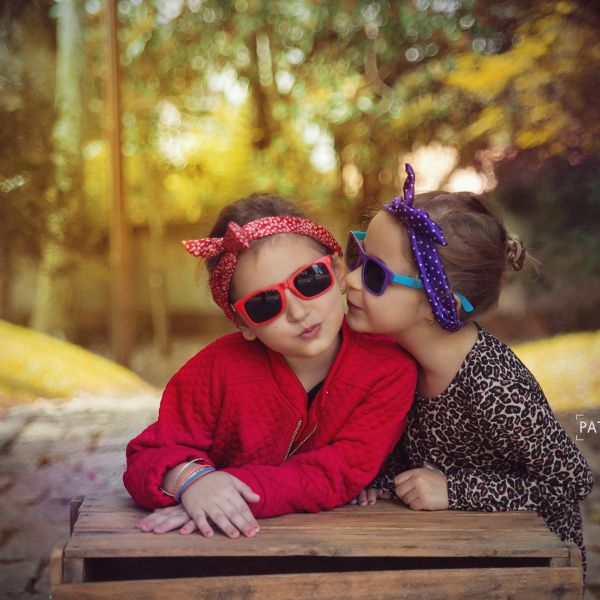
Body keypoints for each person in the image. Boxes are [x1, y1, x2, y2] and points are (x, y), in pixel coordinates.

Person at [124, 193, 417, 540]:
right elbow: (148, 456)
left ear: (338, 271)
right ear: (243, 323)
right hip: (226, 547)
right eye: (265, 304)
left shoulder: (388, 369)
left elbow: (340, 470)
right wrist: (193, 484)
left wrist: (231, 488)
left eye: (309, 280)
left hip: (334, 545)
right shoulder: (214, 371)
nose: (298, 313)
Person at [345, 164, 593, 567]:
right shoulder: (391, 355)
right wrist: (375, 478)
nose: (351, 280)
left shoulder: (494, 384)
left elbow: (571, 482)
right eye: (357, 255)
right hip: (453, 547)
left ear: (437, 304)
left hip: (529, 563)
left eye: (374, 273)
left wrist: (454, 491)